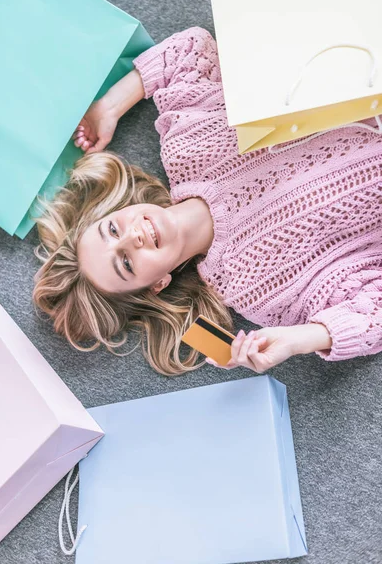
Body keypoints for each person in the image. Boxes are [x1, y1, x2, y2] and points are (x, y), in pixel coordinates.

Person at [33, 27, 382, 376]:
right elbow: (373, 311)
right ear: (158, 284)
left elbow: (190, 49)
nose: (131, 238)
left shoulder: (185, 145)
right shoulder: (255, 290)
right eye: (125, 263)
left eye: (112, 229)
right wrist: (298, 340)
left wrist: (108, 107)